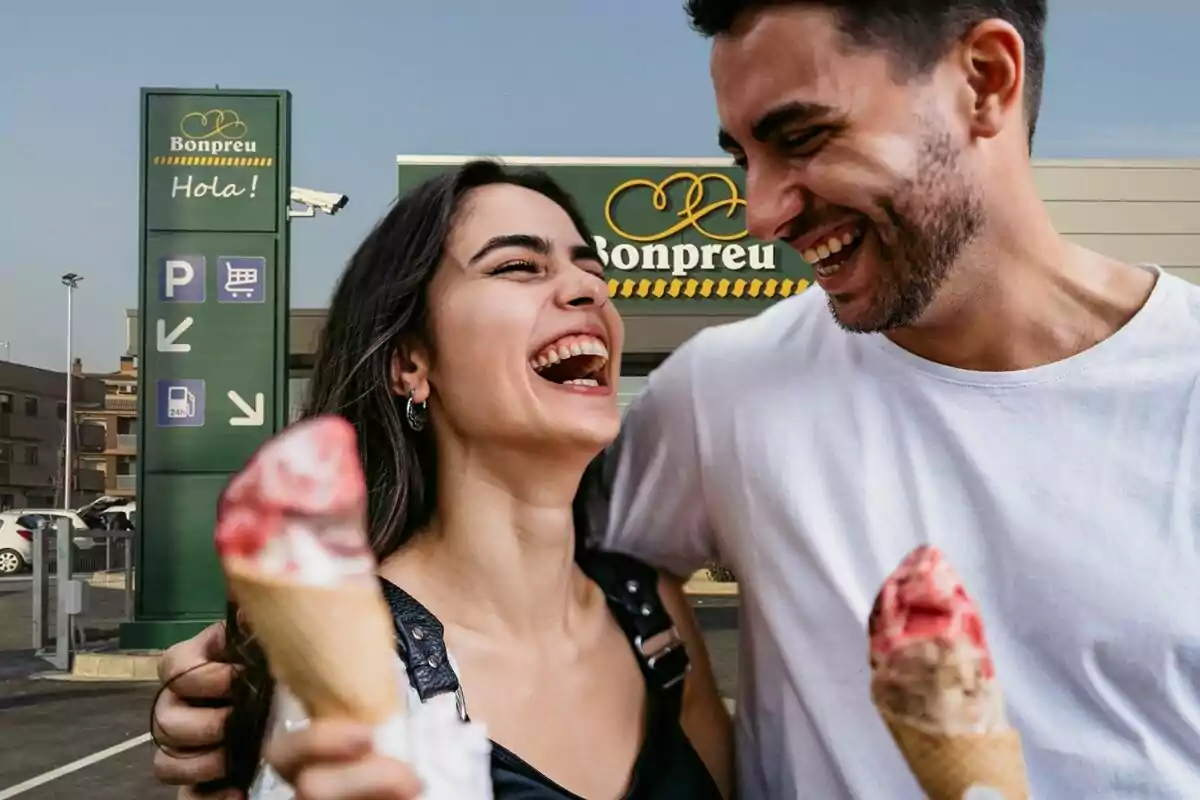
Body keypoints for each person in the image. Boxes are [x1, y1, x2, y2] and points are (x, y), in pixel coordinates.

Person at [155, 0, 1200, 797]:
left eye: (801, 137)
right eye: (741, 155)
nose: (758, 212)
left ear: (984, 77)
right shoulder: (726, 392)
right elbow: (495, 536)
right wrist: (246, 677)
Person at [152, 160, 733, 800]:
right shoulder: (347, 672)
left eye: (592, 271)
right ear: (409, 363)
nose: (587, 290)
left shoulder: (651, 614)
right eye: (518, 266)